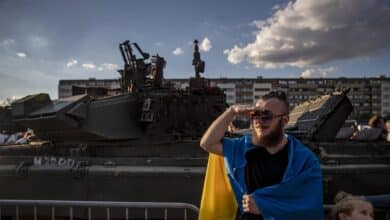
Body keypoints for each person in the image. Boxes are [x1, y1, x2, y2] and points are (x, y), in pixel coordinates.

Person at [200, 91, 323, 220]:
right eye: (255, 115)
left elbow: (310, 208)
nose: (258, 121)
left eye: (266, 116)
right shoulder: (244, 147)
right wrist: (231, 111)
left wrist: (265, 206)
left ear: (285, 120)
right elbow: (207, 144)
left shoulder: (304, 159)